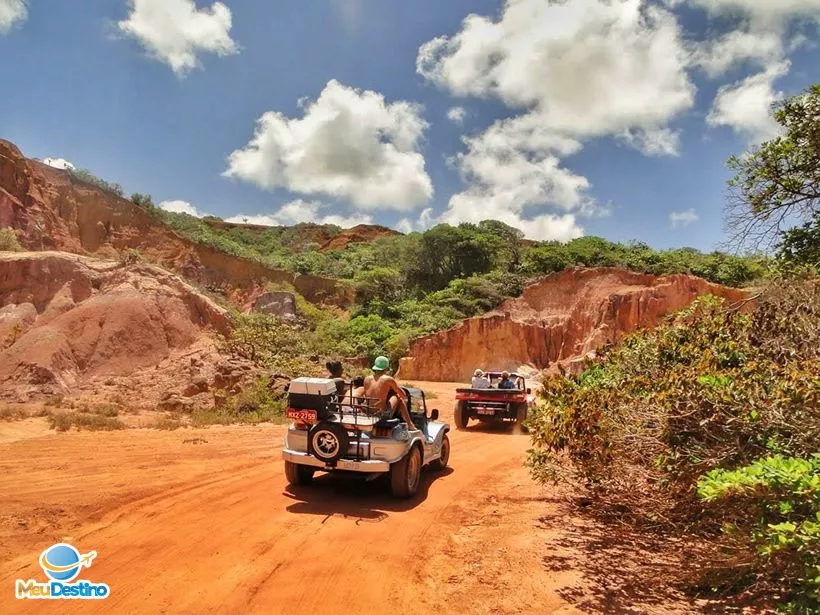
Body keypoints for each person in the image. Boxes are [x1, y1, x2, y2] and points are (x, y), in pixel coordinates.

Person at [357, 356, 416, 430]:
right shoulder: (388, 379)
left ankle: (409, 424)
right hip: (381, 415)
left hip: (368, 412)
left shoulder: (367, 379)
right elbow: (403, 394)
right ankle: (410, 424)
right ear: (386, 368)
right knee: (398, 398)